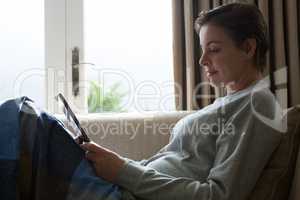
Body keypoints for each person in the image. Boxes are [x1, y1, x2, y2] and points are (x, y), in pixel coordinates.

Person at [80, 3, 286, 200]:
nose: (202, 60)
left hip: (125, 196)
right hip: (121, 189)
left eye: (214, 49)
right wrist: (115, 165)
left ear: (248, 48)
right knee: (55, 134)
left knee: (48, 129)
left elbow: (218, 195)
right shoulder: (231, 102)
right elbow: (167, 164)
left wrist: (123, 172)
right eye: (203, 49)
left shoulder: (258, 105)